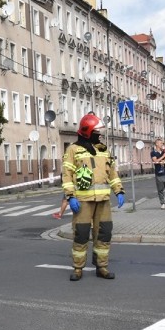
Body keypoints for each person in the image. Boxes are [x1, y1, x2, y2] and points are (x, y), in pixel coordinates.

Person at [62, 112, 125, 281]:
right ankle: (78, 268)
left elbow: (112, 173)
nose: (100, 135)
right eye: (97, 132)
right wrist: (70, 196)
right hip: (82, 201)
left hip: (103, 201)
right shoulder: (73, 149)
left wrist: (119, 190)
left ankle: (101, 266)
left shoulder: (104, 150)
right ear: (87, 131)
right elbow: (67, 175)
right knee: (81, 234)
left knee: (104, 233)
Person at [150, 137, 165, 209]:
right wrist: (162, 157)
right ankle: (162, 203)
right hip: (159, 173)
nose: (162, 144)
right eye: (161, 143)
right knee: (160, 189)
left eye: (163, 143)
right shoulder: (153, 152)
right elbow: (155, 161)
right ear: (157, 144)